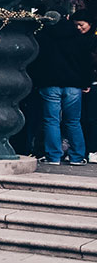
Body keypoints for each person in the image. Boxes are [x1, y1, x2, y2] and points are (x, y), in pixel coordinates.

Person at [34, 14, 94, 165]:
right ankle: (77, 157)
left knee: (51, 121)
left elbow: (37, 61)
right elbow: (86, 62)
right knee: (73, 121)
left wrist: (37, 82)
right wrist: (86, 82)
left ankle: (53, 156)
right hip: (73, 85)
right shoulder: (77, 37)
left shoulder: (44, 36)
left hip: (50, 84)